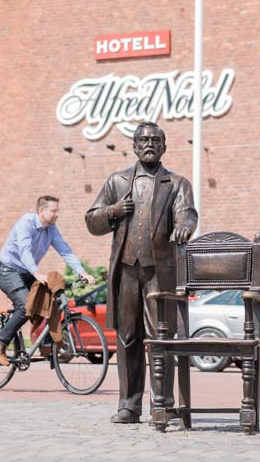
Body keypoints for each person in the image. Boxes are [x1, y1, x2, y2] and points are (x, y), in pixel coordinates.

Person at [86, 122, 197, 424]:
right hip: (126, 272)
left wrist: (185, 226)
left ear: (164, 146)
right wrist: (114, 211)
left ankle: (164, 403)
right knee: (128, 337)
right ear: (134, 146)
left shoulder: (176, 183)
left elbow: (187, 213)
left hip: (160, 272)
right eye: (143, 140)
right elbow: (92, 220)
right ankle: (129, 404)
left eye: (155, 140)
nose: (149, 144)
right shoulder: (117, 182)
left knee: (162, 337)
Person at [0, 195, 95, 366]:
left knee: (49, 300)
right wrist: (36, 272)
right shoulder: (26, 223)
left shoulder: (51, 229)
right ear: (41, 210)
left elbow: (65, 250)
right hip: (8, 271)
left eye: (58, 210)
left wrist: (82, 272)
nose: (57, 214)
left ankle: (47, 345)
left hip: (27, 273)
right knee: (25, 306)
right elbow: (24, 251)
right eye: (54, 211)